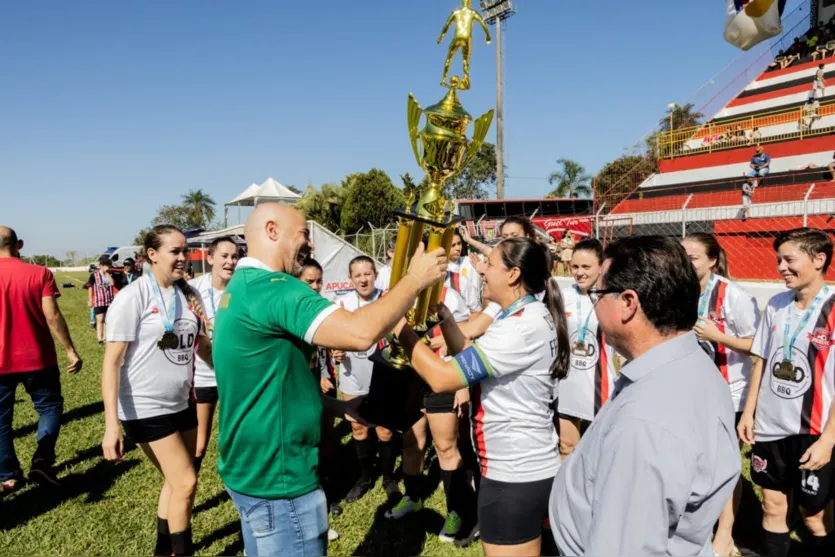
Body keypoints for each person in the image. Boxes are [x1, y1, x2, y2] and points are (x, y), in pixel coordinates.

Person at [212, 203, 447, 557]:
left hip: (250, 472)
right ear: (272, 231)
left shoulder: (240, 288)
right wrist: (414, 280)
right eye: (304, 234)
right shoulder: (276, 289)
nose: (310, 245)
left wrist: (337, 406)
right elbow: (360, 333)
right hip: (281, 481)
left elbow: (265, 385)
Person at [550, 235, 741, 556]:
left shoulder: (646, 423)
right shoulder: (686, 365)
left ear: (628, 303)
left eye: (599, 294)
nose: (594, 303)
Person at [393, 237, 570, 557]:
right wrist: (447, 320)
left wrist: (402, 331)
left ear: (514, 274)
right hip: (531, 468)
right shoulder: (526, 315)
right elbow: (477, 361)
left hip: (513, 476)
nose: (482, 270)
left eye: (490, 263)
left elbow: (442, 378)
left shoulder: (518, 328)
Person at [101, 225, 213, 556]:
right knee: (185, 483)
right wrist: (111, 426)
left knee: (175, 481)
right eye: (175, 251)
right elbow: (112, 363)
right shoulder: (131, 297)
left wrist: (233, 370)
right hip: (145, 408)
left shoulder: (189, 295)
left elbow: (203, 347)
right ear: (152, 254)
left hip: (181, 402)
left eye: (185, 251)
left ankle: (162, 551)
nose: (183, 257)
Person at [738, 228, 835, 557]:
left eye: (789, 259)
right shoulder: (776, 305)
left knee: (814, 518)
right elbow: (761, 362)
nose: (781, 267)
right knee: (773, 507)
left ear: (819, 259)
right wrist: (750, 412)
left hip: (814, 432)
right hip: (770, 428)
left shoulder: (834, 309)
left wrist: (829, 439)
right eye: (778, 260)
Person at [682, 232, 760, 557]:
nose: (686, 262)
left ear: (712, 260)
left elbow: (758, 348)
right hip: (690, 394)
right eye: (682, 256)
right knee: (694, 465)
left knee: (724, 467)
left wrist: (718, 336)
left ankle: (725, 536)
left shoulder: (733, 295)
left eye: (693, 257)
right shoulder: (680, 290)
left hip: (730, 394)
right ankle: (698, 529)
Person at [387, 279, 476, 547]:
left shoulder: (451, 297)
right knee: (412, 443)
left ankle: (455, 513)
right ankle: (413, 498)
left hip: (443, 378)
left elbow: (464, 339)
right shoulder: (402, 292)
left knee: (445, 447)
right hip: (410, 377)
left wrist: (463, 385)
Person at [0, 226, 82, 492]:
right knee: (49, 408)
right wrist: (70, 349)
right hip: (38, 358)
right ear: (19, 244)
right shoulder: (40, 273)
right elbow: (53, 315)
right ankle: (42, 461)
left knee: (1, 420)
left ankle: (8, 475)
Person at [331, 256, 401, 504]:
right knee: (358, 427)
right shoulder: (342, 303)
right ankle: (365, 477)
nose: (363, 279)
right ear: (350, 279)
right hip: (353, 373)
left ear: (375, 275)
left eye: (367, 274)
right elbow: (334, 337)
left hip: (383, 374)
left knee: (385, 430)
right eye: (357, 275)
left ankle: (389, 478)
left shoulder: (387, 299)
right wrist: (336, 350)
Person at [555, 238, 617, 460]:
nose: (579, 273)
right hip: (568, 383)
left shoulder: (613, 296)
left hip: (603, 386)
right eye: (575, 267)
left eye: (586, 267)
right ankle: (567, 494)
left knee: (602, 452)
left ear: (601, 266)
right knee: (566, 446)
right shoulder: (562, 296)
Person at [187, 236, 239, 473]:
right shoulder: (192, 289)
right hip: (204, 376)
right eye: (224, 256)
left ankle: (238, 485)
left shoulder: (241, 289)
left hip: (235, 376)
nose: (230, 262)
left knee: (236, 438)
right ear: (210, 258)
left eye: (235, 257)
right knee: (199, 443)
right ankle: (187, 489)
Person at [299, 258, 340, 543]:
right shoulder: (293, 309)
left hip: (327, 383)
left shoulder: (324, 307)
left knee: (327, 440)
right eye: (309, 281)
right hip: (306, 389)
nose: (315, 286)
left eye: (318, 281)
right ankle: (315, 503)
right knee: (308, 445)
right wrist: (316, 379)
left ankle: (327, 494)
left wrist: (335, 359)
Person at [86, 256, 116, 343]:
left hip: (109, 300)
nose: (108, 267)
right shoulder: (94, 275)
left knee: (107, 319)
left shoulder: (110, 274)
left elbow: (112, 283)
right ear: (101, 266)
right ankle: (100, 338)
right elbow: (90, 287)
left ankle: (106, 337)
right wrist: (91, 300)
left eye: (109, 266)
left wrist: (107, 274)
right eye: (106, 265)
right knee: (100, 319)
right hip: (99, 300)